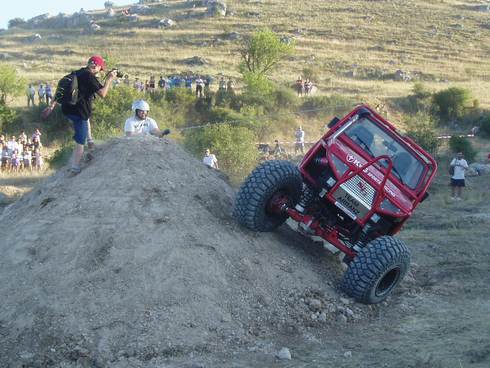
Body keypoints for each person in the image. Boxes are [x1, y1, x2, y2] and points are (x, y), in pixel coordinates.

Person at [42, 55, 117, 175]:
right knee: (80, 141)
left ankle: (91, 142)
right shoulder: (89, 77)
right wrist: (109, 80)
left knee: (86, 120)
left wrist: (52, 106)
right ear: (96, 66)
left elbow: (62, 88)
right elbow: (102, 94)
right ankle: (75, 167)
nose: (100, 71)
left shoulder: (77, 73)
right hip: (79, 112)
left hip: (67, 109)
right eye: (100, 69)